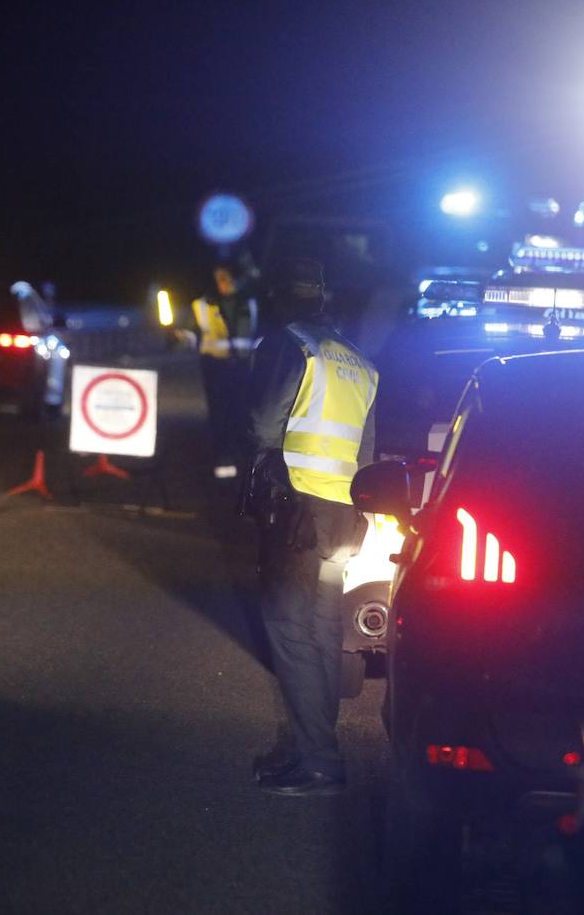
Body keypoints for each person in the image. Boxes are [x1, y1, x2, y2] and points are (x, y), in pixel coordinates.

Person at [241, 258, 377, 796]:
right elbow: (366, 450)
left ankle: (317, 760)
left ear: (281, 297)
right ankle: (312, 749)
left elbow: (262, 425)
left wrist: (258, 466)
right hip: (343, 512)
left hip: (296, 508)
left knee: (289, 631)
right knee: (321, 633)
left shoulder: (291, 346)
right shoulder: (359, 362)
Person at [192, 263, 260, 479]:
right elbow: (194, 333)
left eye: (226, 278)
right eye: (219, 278)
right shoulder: (203, 304)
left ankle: (242, 459)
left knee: (240, 412)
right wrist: (180, 337)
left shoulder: (248, 301)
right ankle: (223, 460)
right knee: (219, 413)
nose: (223, 283)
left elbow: (256, 332)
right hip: (215, 366)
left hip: (241, 365)